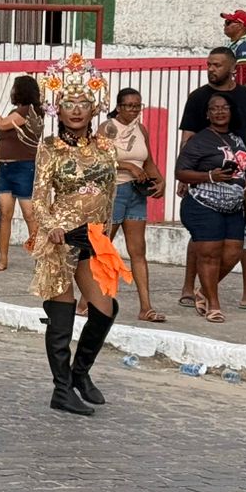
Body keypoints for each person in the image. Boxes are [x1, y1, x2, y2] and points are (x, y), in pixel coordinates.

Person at [29, 55, 128, 416]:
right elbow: (38, 197)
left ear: (94, 108)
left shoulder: (105, 147)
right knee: (63, 314)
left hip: (93, 238)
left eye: (83, 103)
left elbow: (110, 195)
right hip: (61, 237)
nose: (75, 110)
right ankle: (61, 390)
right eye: (68, 103)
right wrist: (51, 226)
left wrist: (106, 237)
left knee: (105, 308)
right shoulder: (50, 147)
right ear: (57, 108)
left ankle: (79, 374)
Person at [176, 47, 246, 313]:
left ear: (232, 68)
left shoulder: (245, 96)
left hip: (240, 172)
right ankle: (188, 288)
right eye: (209, 64)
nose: (211, 69)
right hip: (205, 174)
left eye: (217, 65)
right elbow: (188, 136)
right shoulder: (199, 97)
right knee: (203, 234)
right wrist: (184, 174)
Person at [175, 94, 246, 325]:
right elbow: (180, 172)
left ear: (231, 111)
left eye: (224, 108)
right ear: (207, 114)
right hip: (203, 204)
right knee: (209, 254)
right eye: (214, 109)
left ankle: (203, 291)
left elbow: (242, 167)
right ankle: (214, 304)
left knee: (234, 253)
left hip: (233, 206)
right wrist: (210, 176)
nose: (220, 112)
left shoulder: (237, 138)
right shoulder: (199, 140)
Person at [102, 88, 167, 323]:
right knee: (104, 249)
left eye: (137, 106)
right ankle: (88, 301)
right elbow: (99, 162)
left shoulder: (141, 129)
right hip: (115, 192)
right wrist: (128, 166)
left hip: (136, 194)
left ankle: (146, 307)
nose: (133, 110)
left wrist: (160, 180)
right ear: (119, 107)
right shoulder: (107, 128)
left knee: (138, 251)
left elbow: (148, 161)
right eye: (128, 106)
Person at [0, 74, 44, 273]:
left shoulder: (29, 111)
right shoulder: (15, 112)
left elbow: (1, 124)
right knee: (5, 215)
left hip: (24, 167)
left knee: (29, 215)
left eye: (14, 88)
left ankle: (39, 259)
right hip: (6, 169)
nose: (11, 91)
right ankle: (3, 259)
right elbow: (1, 143)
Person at [221, 8, 246, 88]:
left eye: (228, 22)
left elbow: (242, 76)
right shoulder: (233, 44)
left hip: (236, 92)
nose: (224, 25)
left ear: (240, 26)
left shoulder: (245, 46)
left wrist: (232, 92)